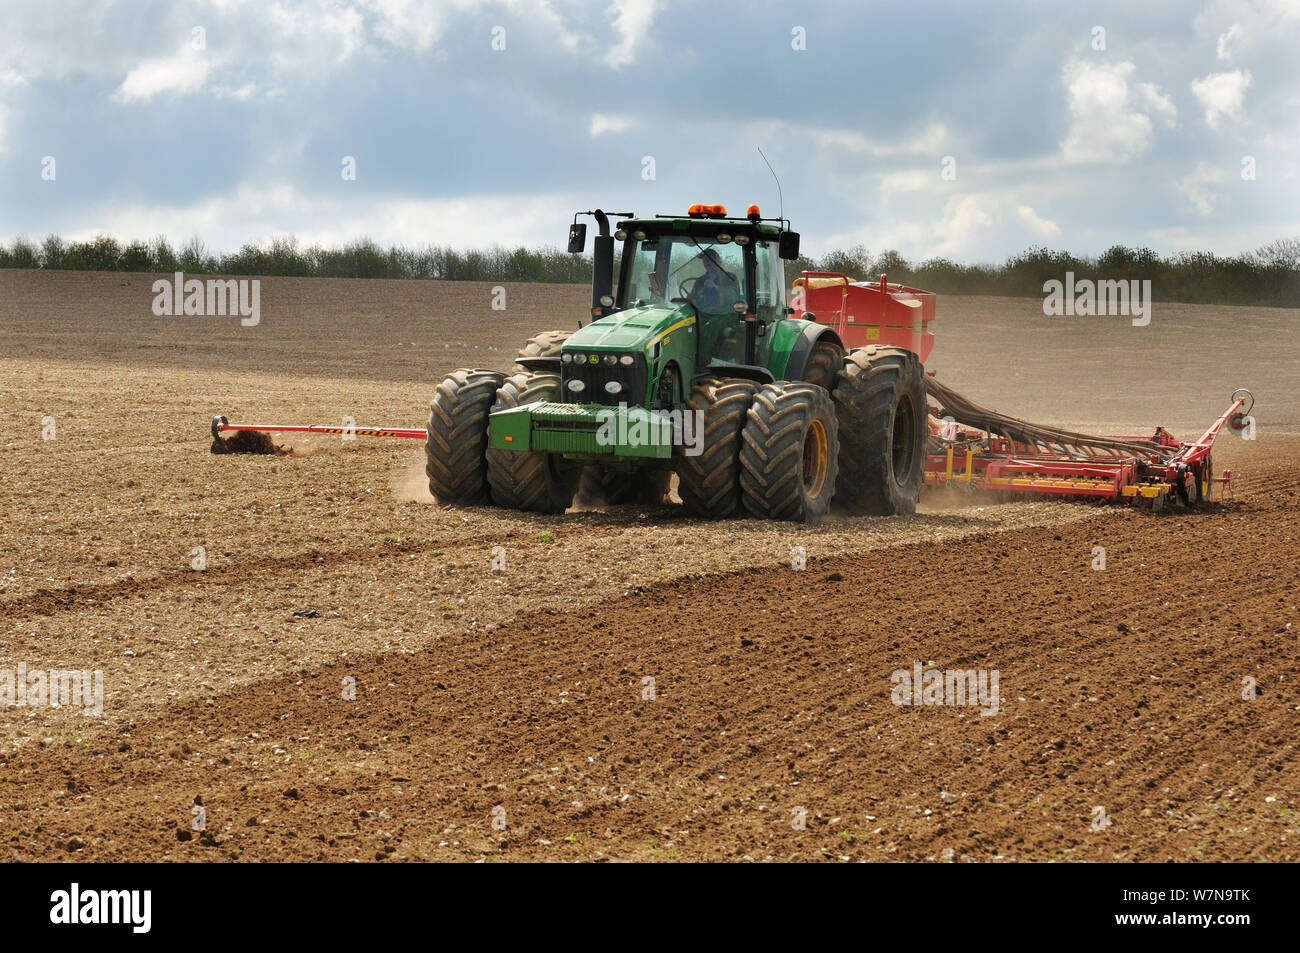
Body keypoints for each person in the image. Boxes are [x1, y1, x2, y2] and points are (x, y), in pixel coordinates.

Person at [687, 248, 740, 313]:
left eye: (708, 261)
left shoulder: (730, 277)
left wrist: (715, 287)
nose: (706, 264)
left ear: (718, 261)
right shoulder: (700, 281)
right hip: (702, 315)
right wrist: (692, 299)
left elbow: (734, 298)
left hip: (725, 315)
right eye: (704, 262)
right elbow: (692, 297)